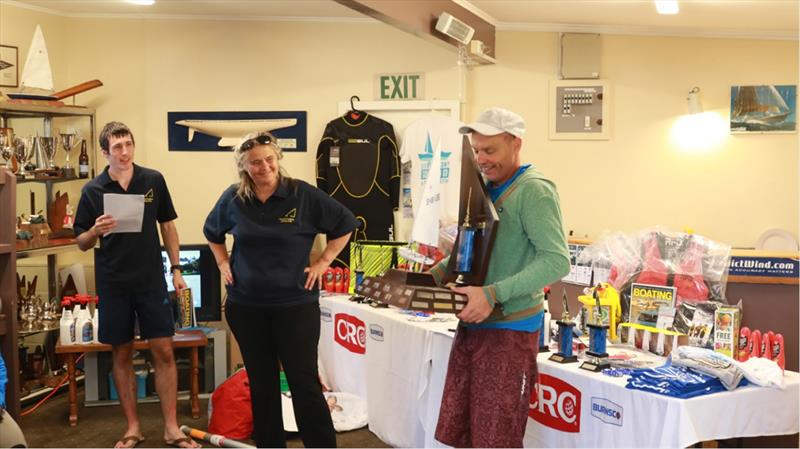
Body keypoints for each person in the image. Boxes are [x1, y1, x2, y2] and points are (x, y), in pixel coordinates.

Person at [204, 131, 358, 448]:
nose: (265, 167)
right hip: (246, 306)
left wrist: (325, 261)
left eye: (269, 159)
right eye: (256, 162)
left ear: (278, 159)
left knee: (303, 382)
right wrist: (222, 262)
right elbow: (212, 232)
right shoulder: (233, 198)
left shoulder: (301, 195)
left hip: (295, 306)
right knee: (262, 383)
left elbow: (345, 222)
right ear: (244, 167)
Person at [430, 107, 570, 447]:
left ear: (515, 144)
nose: (481, 159)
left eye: (490, 150)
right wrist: (428, 277)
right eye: (477, 150)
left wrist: (492, 293)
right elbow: (475, 249)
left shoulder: (534, 190)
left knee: (496, 438)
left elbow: (556, 260)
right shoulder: (485, 188)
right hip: (473, 324)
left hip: (509, 331)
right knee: (462, 432)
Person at [74, 122, 199, 449]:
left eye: (128, 144)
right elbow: (81, 242)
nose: (125, 152)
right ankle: (133, 428)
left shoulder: (152, 180)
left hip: (150, 280)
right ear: (105, 152)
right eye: (117, 147)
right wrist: (96, 231)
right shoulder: (93, 190)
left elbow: (168, 226)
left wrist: (176, 269)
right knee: (122, 353)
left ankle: (171, 428)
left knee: (164, 351)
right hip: (114, 282)